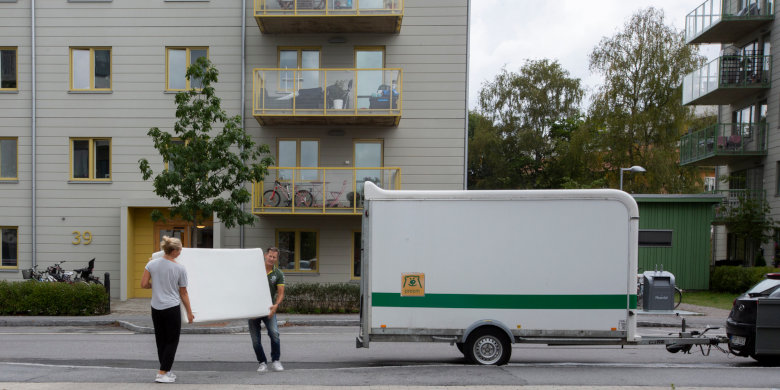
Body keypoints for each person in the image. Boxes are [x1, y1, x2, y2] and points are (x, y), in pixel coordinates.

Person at [141, 236, 195, 383]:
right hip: (171, 308)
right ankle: (162, 372)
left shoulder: (151, 264)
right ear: (175, 251)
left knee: (161, 340)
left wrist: (156, 285)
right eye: (180, 249)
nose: (181, 252)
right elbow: (183, 293)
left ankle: (166, 370)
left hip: (156, 307)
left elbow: (144, 284)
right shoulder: (179, 268)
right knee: (172, 341)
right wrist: (190, 312)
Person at [248, 247, 285, 373]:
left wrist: (276, 305)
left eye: (274, 257)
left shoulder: (278, 274)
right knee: (255, 339)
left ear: (277, 258)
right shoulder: (254, 271)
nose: (272, 259)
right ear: (265, 255)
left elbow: (280, 293)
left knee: (274, 334)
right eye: (270, 256)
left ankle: (276, 360)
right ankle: (262, 362)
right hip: (253, 309)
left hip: (269, 309)